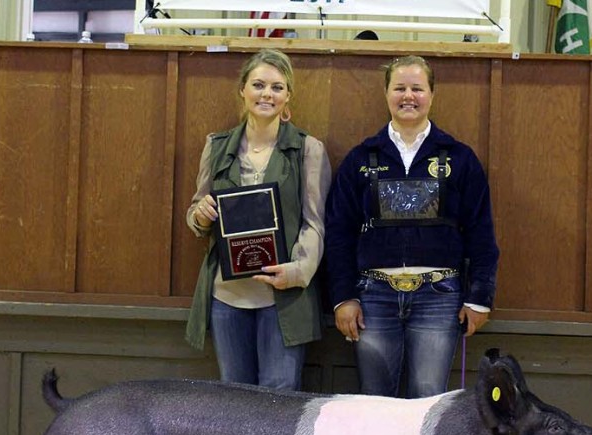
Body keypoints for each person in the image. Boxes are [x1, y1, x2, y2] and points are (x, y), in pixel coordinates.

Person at [325, 55, 499, 398]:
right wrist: (343, 297)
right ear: (386, 93)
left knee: (429, 395)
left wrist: (479, 298)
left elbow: (481, 231)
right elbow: (338, 233)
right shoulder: (360, 159)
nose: (408, 96)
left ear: (432, 94)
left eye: (417, 88)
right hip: (373, 298)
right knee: (374, 398)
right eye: (399, 88)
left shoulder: (460, 158)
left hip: (439, 297)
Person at [185, 49, 331, 391]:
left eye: (277, 87)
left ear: (288, 96)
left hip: (283, 295)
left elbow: (315, 222)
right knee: (234, 399)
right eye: (259, 85)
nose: (267, 94)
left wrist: (296, 272)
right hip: (228, 296)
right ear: (243, 90)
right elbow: (195, 213)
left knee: (278, 400)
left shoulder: (309, 149)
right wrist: (201, 213)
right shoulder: (216, 146)